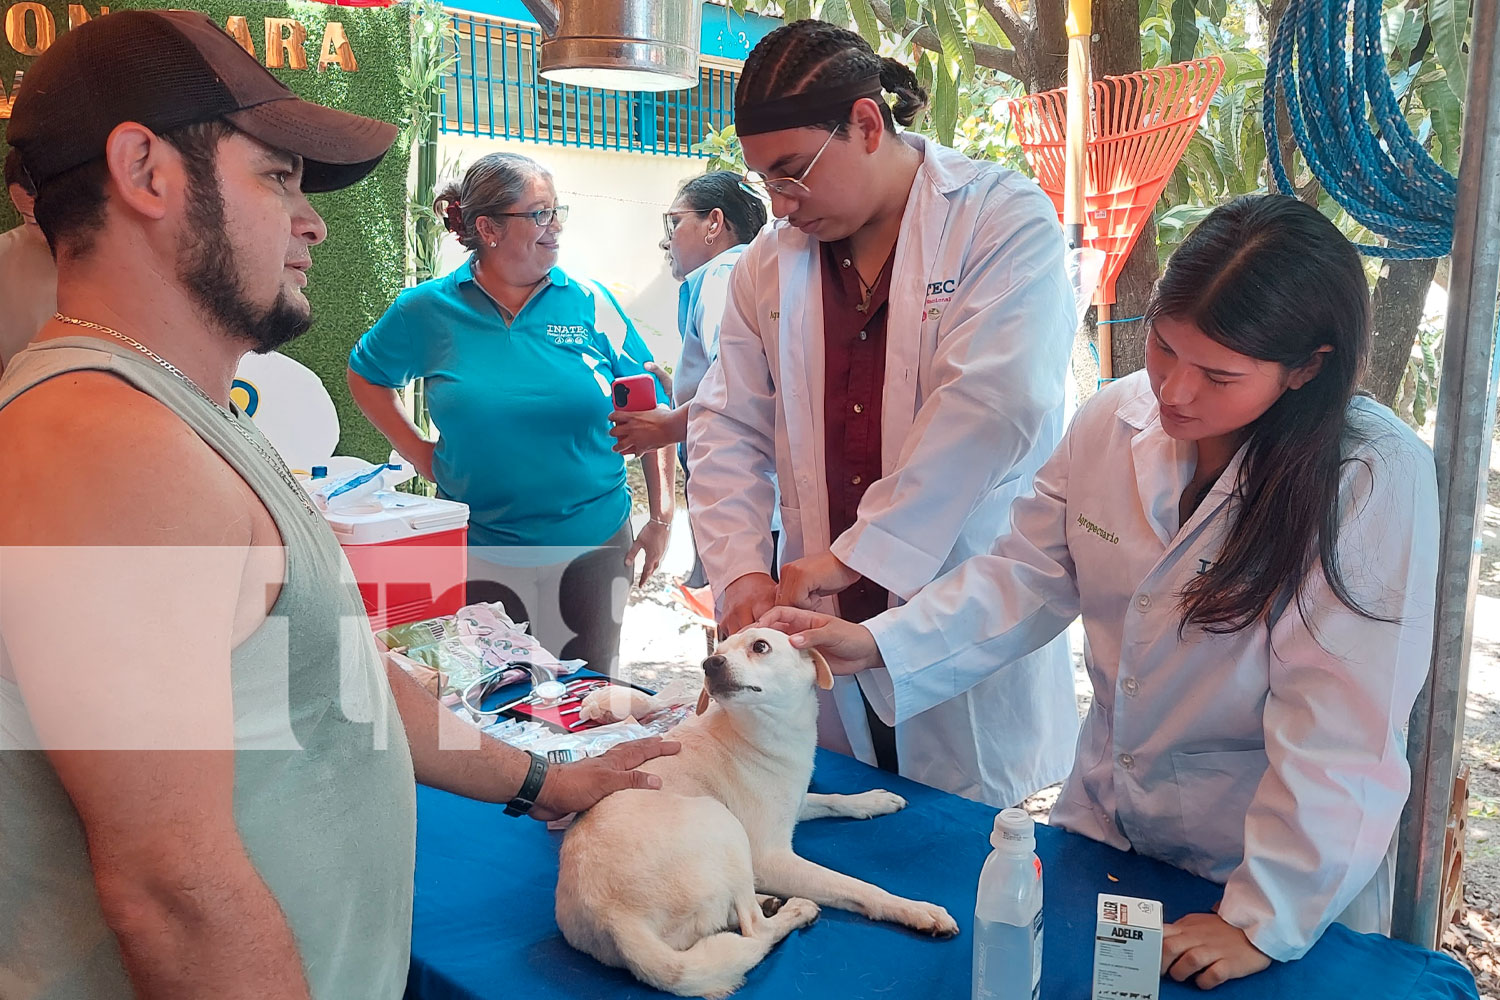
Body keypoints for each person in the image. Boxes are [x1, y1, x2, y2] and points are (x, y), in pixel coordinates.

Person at [0, 13, 675, 998]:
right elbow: (170, 891)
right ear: (146, 171)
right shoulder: (106, 448)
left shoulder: (169, 418)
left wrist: (541, 781)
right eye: (276, 176)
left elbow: (341, 667)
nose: (311, 220)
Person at [763, 195, 1439, 987]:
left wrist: (1262, 919)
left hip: (1270, 856)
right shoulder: (1114, 418)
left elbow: (1340, 725)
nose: (1176, 392)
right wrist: (878, 642)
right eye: (1163, 346)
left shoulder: (1367, 475)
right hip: (1112, 821)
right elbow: (1027, 573)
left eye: (1219, 374)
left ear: (1307, 368)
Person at [684, 20, 1079, 808]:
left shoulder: (998, 220)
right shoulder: (769, 265)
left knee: (960, 862)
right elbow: (727, 426)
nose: (781, 205)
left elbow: (995, 405)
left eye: (793, 174)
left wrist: (851, 558)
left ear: (867, 123)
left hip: (957, 616)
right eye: (766, 181)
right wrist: (738, 575)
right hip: (815, 641)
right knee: (832, 826)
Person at [347, 152, 675, 676]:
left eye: (557, 211)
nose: (556, 227)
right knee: (493, 704)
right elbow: (366, 374)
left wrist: (661, 517)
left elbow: (652, 408)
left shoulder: (590, 302)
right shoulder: (426, 310)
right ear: (487, 227)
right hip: (480, 546)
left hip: (590, 543)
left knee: (585, 698)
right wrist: (420, 455)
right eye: (540, 214)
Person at [610, 170, 768, 592]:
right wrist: (682, 394)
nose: (667, 240)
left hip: (744, 500)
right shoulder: (749, 272)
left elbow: (732, 382)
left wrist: (664, 426)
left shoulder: (722, 274)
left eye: (674, 222)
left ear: (714, 224)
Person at [0, 147, 58, 374]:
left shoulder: (133, 251)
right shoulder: (5, 256)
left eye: (56, 217)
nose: (48, 234)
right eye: (32, 221)